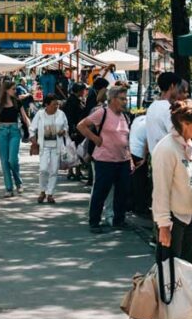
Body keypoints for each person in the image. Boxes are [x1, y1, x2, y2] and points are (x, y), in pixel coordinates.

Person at [152, 98, 192, 319]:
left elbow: (190, 180)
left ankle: (187, 315)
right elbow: (161, 190)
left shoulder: (187, 145)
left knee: (187, 269)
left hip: (189, 217)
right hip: (174, 219)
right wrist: (163, 225)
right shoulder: (167, 149)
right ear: (184, 122)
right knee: (169, 269)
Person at [78, 85, 131, 233]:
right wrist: (95, 139)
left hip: (123, 159)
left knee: (122, 191)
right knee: (101, 191)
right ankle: (94, 221)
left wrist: (130, 158)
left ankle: (119, 220)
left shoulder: (125, 116)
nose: (125, 101)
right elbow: (81, 126)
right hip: (105, 159)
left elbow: (127, 138)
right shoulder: (103, 112)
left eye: (125, 98)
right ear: (113, 99)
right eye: (122, 99)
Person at [0, 78, 31, 198]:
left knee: (12, 159)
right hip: (2, 132)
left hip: (14, 131)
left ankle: (18, 182)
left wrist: (32, 131)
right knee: (4, 162)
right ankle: (9, 188)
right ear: (6, 90)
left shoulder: (17, 101)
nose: (15, 90)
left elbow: (25, 117)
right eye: (13, 89)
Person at [29, 94, 68, 203]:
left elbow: (66, 126)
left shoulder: (61, 114)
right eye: (54, 104)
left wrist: (63, 131)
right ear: (47, 104)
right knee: (43, 169)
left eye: (57, 104)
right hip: (44, 146)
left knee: (54, 170)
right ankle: (42, 191)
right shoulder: (40, 114)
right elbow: (32, 128)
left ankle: (50, 193)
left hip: (56, 146)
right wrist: (34, 142)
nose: (56, 106)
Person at [145, 72, 182, 155]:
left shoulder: (152, 106)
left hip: (155, 156)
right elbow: (176, 134)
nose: (178, 91)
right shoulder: (166, 108)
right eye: (178, 87)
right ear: (172, 86)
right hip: (167, 158)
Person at [63, 82, 87, 179]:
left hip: (74, 128)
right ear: (80, 91)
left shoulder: (74, 100)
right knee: (75, 150)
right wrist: (73, 129)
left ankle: (74, 171)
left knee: (72, 149)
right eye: (83, 90)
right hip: (74, 129)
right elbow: (70, 116)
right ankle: (75, 171)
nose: (84, 92)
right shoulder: (73, 101)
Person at [129, 111, 150, 215]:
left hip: (131, 150)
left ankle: (130, 204)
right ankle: (140, 207)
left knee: (133, 180)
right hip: (139, 153)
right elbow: (147, 141)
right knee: (140, 181)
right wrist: (145, 158)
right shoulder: (150, 122)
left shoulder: (137, 120)